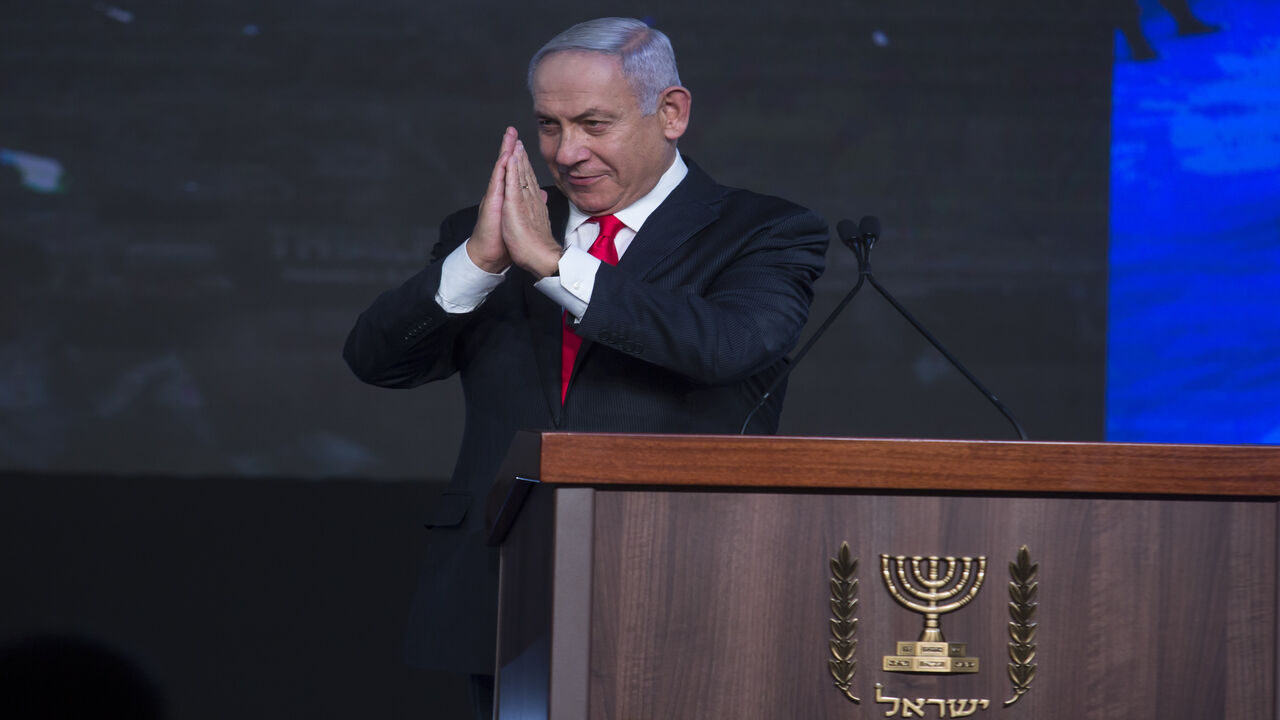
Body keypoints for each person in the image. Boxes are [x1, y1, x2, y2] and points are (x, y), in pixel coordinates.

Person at [343, 16, 828, 718]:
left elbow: (726, 346)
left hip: (686, 586)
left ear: (671, 113)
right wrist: (479, 263)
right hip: (506, 586)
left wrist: (555, 266)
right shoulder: (491, 232)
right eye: (547, 126)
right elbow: (377, 362)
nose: (567, 153)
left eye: (594, 124)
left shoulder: (764, 232)